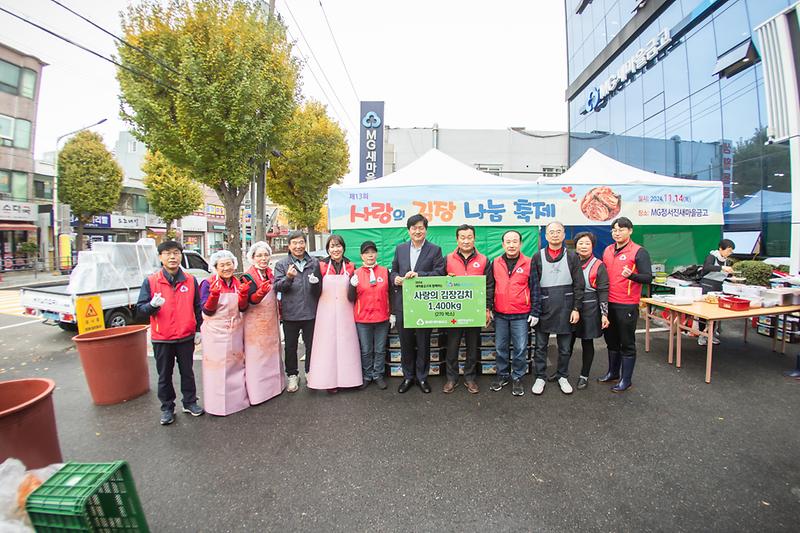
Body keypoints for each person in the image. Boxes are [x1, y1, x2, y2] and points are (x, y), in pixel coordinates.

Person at [136, 240, 204, 426]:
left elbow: (197, 307)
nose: (172, 257)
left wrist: (198, 329)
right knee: (164, 375)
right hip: (162, 337)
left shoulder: (190, 280)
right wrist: (151, 306)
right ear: (160, 257)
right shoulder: (151, 281)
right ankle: (167, 408)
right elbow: (140, 310)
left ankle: (190, 402)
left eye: (176, 253)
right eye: (167, 253)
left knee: (187, 372)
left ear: (181, 255)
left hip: (186, 335)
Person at [390, 214, 446, 394]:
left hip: (424, 306)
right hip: (403, 305)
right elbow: (393, 271)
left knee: (423, 342)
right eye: (414, 228)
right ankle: (408, 377)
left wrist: (420, 275)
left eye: (421, 228)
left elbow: (440, 274)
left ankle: (422, 377)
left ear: (426, 230)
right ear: (408, 230)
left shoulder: (435, 250)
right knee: (405, 342)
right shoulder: (400, 249)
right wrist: (396, 278)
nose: (417, 231)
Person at [598, 217, 653, 392]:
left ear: (630, 230)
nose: (617, 233)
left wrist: (632, 276)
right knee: (611, 341)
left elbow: (648, 277)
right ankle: (613, 373)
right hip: (608, 303)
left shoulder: (638, 251)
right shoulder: (607, 250)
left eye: (621, 229)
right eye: (614, 230)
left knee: (627, 343)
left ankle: (626, 380)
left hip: (626, 304)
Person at [530, 221, 584, 396]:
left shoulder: (572, 257)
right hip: (544, 307)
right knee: (540, 346)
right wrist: (535, 311)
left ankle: (563, 375)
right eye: (551, 232)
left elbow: (579, 285)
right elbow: (534, 287)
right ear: (545, 236)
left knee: (565, 347)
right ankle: (540, 377)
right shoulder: (537, 257)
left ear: (563, 234)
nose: (554, 234)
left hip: (566, 308)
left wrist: (576, 308)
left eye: (558, 231)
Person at [307, 235, 363, 392]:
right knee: (326, 346)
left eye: (338, 246)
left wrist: (353, 286)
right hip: (326, 311)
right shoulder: (321, 266)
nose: (335, 249)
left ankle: (350, 379)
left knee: (348, 344)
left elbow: (352, 296)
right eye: (332, 246)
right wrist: (313, 285)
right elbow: (315, 293)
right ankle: (327, 381)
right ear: (328, 249)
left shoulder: (351, 266)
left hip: (346, 311)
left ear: (343, 248)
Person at [199, 250, 251, 416]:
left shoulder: (238, 282)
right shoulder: (208, 283)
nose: (226, 268)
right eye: (222, 265)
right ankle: (216, 405)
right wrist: (213, 296)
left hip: (235, 329)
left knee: (236, 365)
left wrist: (243, 295)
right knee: (217, 368)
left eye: (229, 264)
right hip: (215, 331)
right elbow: (206, 310)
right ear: (215, 267)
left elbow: (243, 308)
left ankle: (238, 401)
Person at [487, 230, 537, 397]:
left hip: (521, 314)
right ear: (503, 244)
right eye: (508, 241)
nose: (511, 244)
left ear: (520, 244)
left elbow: (535, 288)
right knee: (500, 347)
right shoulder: (495, 263)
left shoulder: (529, 263)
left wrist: (535, 311)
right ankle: (502, 375)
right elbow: (491, 286)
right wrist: (490, 308)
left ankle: (517, 377)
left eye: (515, 241)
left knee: (520, 348)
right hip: (500, 314)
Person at [443, 224, 491, 394]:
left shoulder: (484, 260)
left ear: (474, 238)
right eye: (462, 237)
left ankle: (470, 378)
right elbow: (438, 284)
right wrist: (445, 281)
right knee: (452, 347)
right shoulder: (447, 259)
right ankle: (452, 378)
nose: (466, 241)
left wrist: (487, 309)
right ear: (457, 239)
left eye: (469, 237)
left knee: (472, 347)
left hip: (474, 312)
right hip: (453, 313)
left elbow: (489, 286)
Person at [274, 231, 322, 393]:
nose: (298, 246)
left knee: (312, 346)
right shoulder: (282, 264)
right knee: (290, 347)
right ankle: (292, 375)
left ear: (305, 244)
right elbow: (278, 287)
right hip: (290, 313)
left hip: (311, 311)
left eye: (301, 242)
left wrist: (316, 284)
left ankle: (310, 372)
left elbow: (319, 288)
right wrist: (288, 278)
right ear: (289, 246)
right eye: (294, 243)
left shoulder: (314, 263)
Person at [242, 241, 285, 404]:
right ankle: (259, 393)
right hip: (254, 324)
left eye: (266, 255)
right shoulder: (247, 276)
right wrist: (260, 293)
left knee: (272, 355)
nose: (263, 258)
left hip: (271, 322)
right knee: (257, 358)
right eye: (259, 255)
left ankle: (275, 388)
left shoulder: (270, 274)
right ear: (252, 258)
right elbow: (249, 301)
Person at [348, 240, 391, 390]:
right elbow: (350, 298)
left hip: (382, 318)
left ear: (376, 254)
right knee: (366, 350)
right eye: (366, 252)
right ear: (361, 256)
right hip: (363, 319)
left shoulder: (385, 271)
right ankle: (367, 375)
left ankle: (378, 374)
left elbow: (391, 293)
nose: (370, 255)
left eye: (372, 252)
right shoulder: (356, 273)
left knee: (380, 350)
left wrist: (392, 313)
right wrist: (352, 286)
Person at [569, 231, 610, 390]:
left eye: (587, 243)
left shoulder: (598, 265)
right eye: (580, 243)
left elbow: (603, 290)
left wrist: (604, 313)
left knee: (587, 342)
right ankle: (562, 372)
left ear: (592, 246)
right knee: (567, 341)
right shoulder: (571, 261)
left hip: (590, 307)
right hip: (572, 306)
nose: (583, 246)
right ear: (576, 245)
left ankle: (583, 376)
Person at [698, 239, 735, 346]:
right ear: (720, 249)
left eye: (731, 251)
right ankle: (702, 335)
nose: (729, 253)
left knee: (715, 312)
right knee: (705, 312)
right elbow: (707, 267)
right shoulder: (711, 256)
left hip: (718, 287)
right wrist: (722, 267)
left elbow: (725, 274)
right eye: (728, 250)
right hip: (707, 285)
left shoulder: (726, 260)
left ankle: (711, 334)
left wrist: (732, 277)